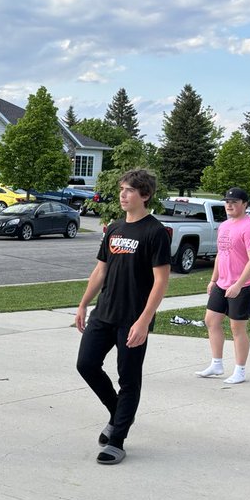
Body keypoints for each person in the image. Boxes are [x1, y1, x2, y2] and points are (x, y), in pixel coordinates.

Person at [74, 169, 170, 465]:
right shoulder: (115, 229)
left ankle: (117, 440)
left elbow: (161, 281)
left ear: (145, 195)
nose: (123, 194)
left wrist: (144, 320)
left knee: (129, 378)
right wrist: (83, 304)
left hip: (133, 318)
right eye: (122, 189)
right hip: (104, 313)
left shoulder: (155, 232)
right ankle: (119, 415)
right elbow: (100, 270)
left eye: (129, 190)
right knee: (86, 364)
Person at [195, 187, 250, 384]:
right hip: (223, 282)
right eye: (227, 202)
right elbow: (221, 254)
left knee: (237, 327)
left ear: (245, 204)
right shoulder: (224, 226)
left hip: (246, 283)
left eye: (234, 202)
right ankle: (217, 364)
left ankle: (240, 370)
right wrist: (214, 279)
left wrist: (239, 285)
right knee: (211, 320)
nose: (230, 205)